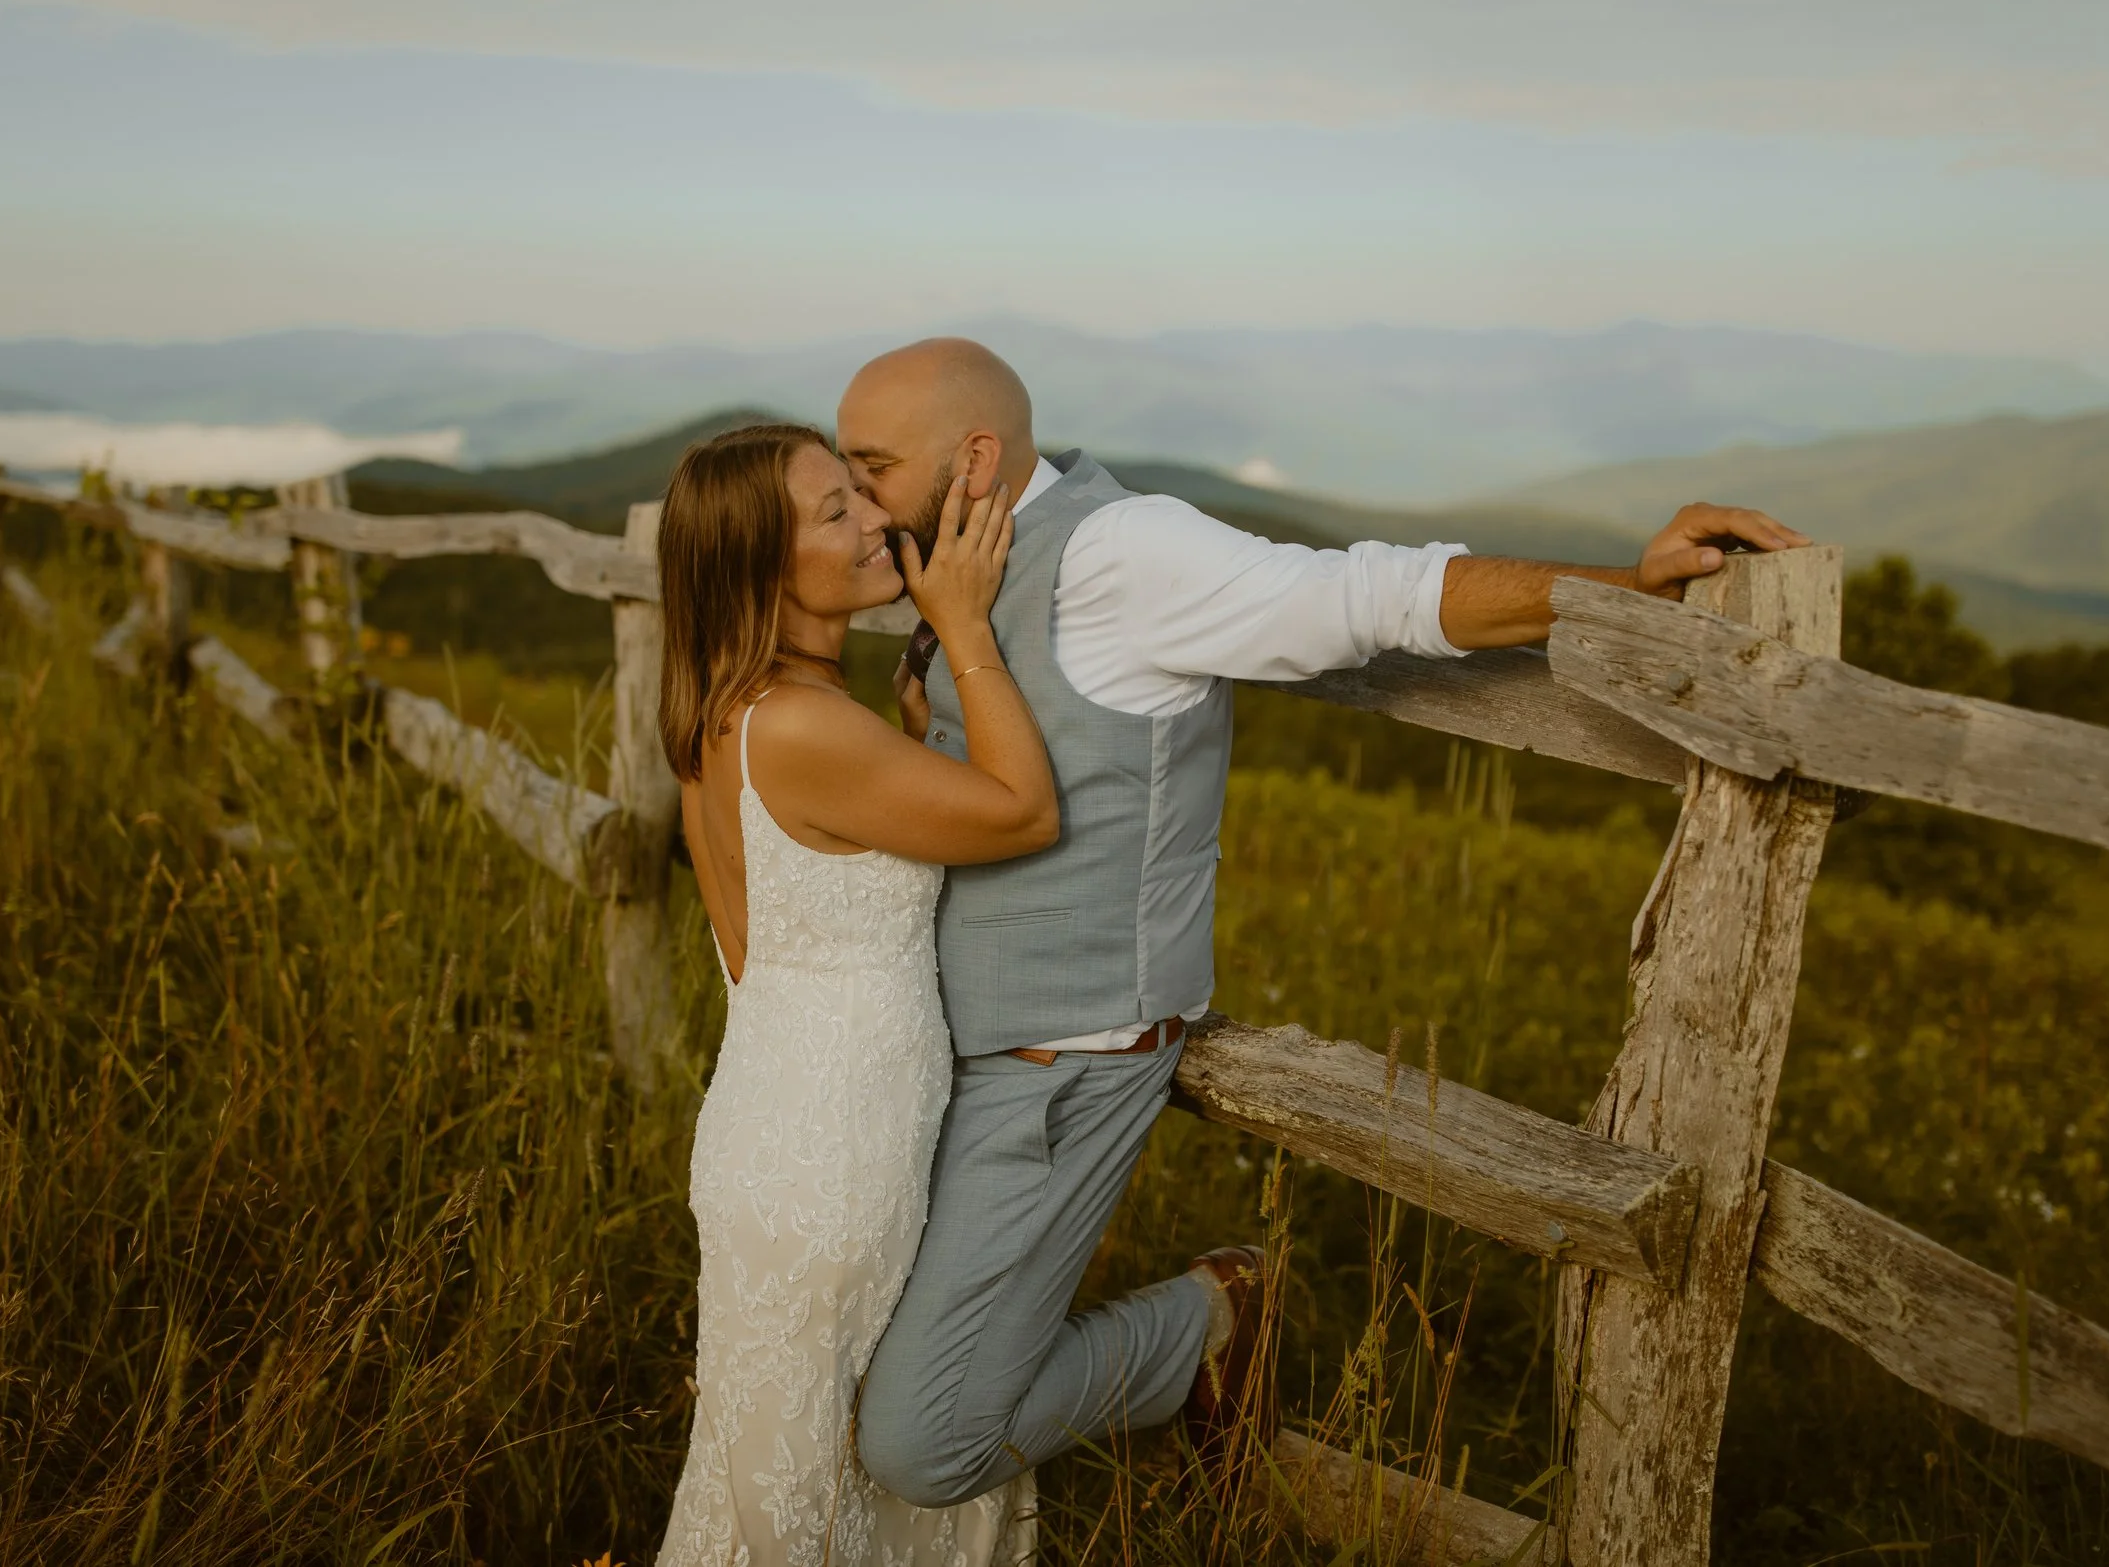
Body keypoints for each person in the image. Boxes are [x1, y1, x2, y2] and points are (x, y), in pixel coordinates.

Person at [837, 337, 1809, 1508]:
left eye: (872, 469)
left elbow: (1369, 593)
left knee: (922, 1442)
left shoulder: (1122, 552)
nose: (858, 502)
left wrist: (1624, 584)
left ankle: (1206, 1320)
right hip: (950, 1045)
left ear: (973, 458)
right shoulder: (952, 565)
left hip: (1065, 1056)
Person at [653, 422, 1051, 1567]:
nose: (879, 520)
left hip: (775, 1139)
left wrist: (910, 746)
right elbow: (1024, 812)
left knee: (785, 1479)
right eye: (836, 512)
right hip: (833, 1157)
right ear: (758, 566)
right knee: (837, 1490)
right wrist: (966, 632)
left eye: (861, 493)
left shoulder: (729, 713)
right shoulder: (800, 723)